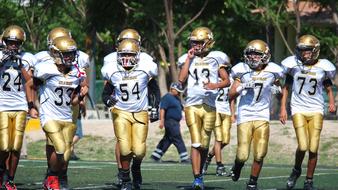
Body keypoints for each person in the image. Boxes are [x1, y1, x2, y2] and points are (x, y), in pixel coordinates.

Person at [26, 36, 88, 190]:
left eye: (72, 53)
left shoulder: (76, 72)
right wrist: (31, 106)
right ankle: (52, 179)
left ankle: (50, 176)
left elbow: (72, 101)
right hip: (49, 116)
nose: (70, 57)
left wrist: (80, 96)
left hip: (66, 116)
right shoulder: (46, 69)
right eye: (66, 54)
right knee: (59, 148)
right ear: (56, 54)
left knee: (66, 155)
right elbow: (29, 85)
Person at [102, 28, 160, 188]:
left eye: (131, 52)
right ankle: (124, 177)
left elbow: (154, 88)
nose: (127, 56)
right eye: (123, 51)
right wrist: (108, 100)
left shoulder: (145, 65)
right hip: (121, 111)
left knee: (139, 151)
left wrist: (155, 107)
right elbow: (106, 91)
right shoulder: (111, 66)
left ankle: (135, 168)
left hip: (140, 112)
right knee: (124, 146)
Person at [279, 35, 336, 190]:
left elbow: (329, 88)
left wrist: (331, 102)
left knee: (313, 147)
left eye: (308, 50)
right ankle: (296, 169)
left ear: (315, 50)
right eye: (302, 50)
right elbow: (286, 88)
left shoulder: (323, 67)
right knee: (303, 146)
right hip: (298, 108)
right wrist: (283, 108)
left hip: (316, 109)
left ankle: (309, 181)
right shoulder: (294, 65)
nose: (305, 53)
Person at [177, 26, 230, 190]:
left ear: (208, 42)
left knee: (205, 145)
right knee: (196, 143)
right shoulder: (187, 58)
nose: (197, 45)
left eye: (200, 42)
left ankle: (201, 172)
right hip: (192, 104)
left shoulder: (217, 58)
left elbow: (226, 81)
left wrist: (215, 85)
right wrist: (188, 59)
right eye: (194, 42)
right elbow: (181, 79)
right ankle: (197, 178)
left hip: (210, 105)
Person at [228, 40, 283, 190]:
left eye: (256, 54)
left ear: (265, 56)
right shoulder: (242, 70)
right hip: (245, 115)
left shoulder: (273, 71)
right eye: (250, 54)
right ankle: (237, 166)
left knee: (259, 153)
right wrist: (243, 86)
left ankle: (252, 182)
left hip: (262, 116)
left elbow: (280, 90)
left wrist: (277, 90)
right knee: (242, 155)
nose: (252, 57)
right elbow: (230, 94)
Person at [0, 25, 36, 189]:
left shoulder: (27, 58)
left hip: (20, 105)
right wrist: (3, 61)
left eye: (16, 43)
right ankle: (1, 170)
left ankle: (10, 179)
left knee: (16, 147)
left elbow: (30, 82)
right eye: (10, 42)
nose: (13, 46)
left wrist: (20, 64)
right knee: (4, 146)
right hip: (2, 105)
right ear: (5, 42)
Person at [202, 76, 235, 176]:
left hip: (226, 111)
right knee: (219, 139)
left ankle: (208, 158)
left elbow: (231, 98)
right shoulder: (211, 77)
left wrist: (233, 113)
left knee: (225, 141)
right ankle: (219, 166)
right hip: (215, 110)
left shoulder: (230, 79)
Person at [150, 82, 189, 163]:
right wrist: (161, 121)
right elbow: (162, 109)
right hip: (170, 122)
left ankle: (155, 156)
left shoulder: (177, 98)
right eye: (177, 90)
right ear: (172, 89)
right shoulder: (167, 97)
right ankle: (184, 157)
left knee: (168, 139)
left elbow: (182, 108)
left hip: (176, 122)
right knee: (177, 138)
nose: (178, 92)